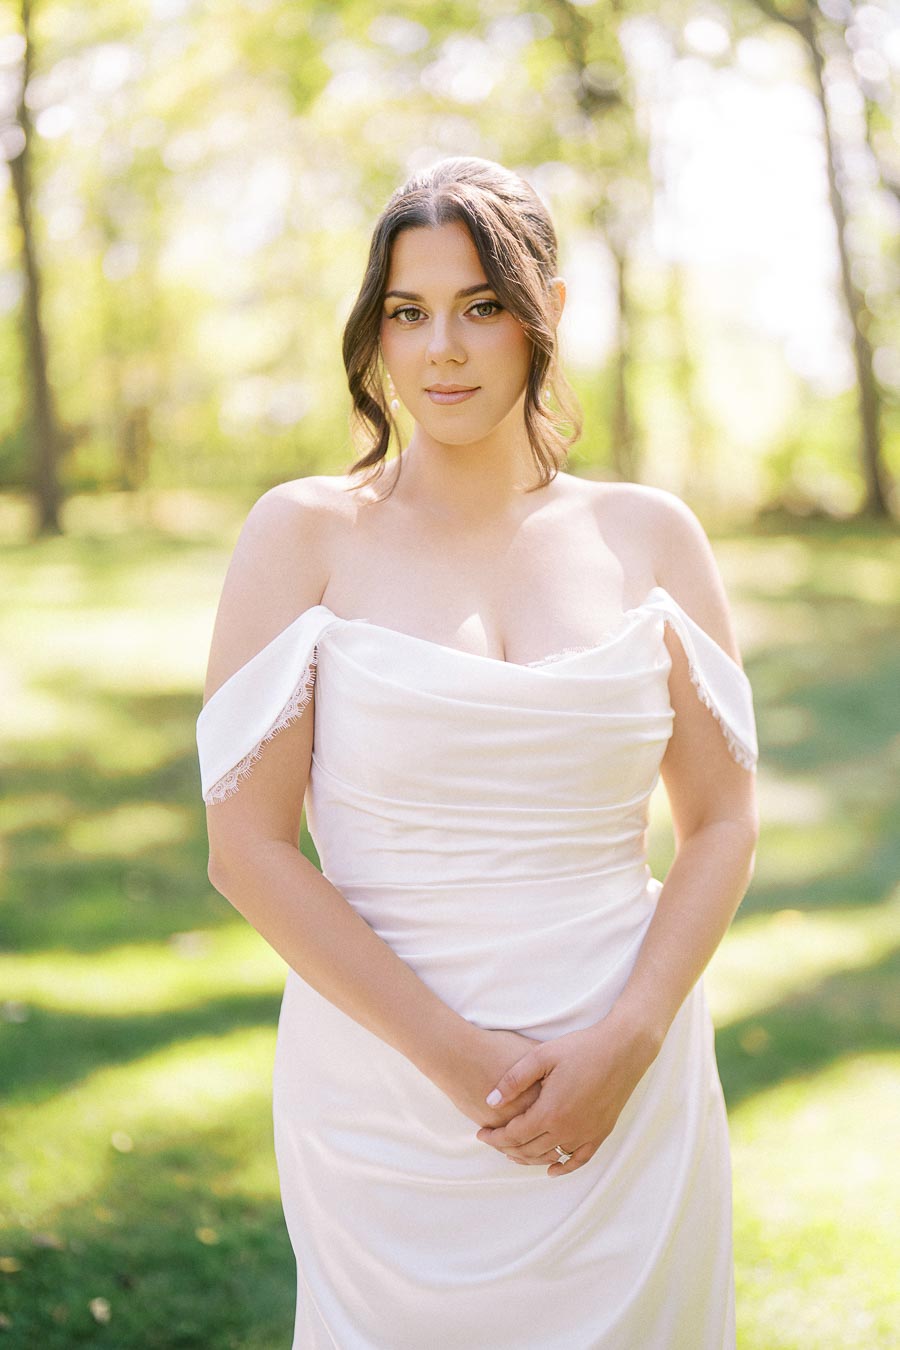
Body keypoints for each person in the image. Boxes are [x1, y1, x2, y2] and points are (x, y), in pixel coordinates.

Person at [196, 155, 760, 1349]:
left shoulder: (651, 535)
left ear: (547, 313)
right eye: (408, 313)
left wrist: (632, 1038)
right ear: (376, 332)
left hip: (631, 1091)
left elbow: (720, 822)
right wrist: (462, 1063)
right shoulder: (304, 534)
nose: (440, 348)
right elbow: (247, 849)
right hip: (387, 1095)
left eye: (480, 306)